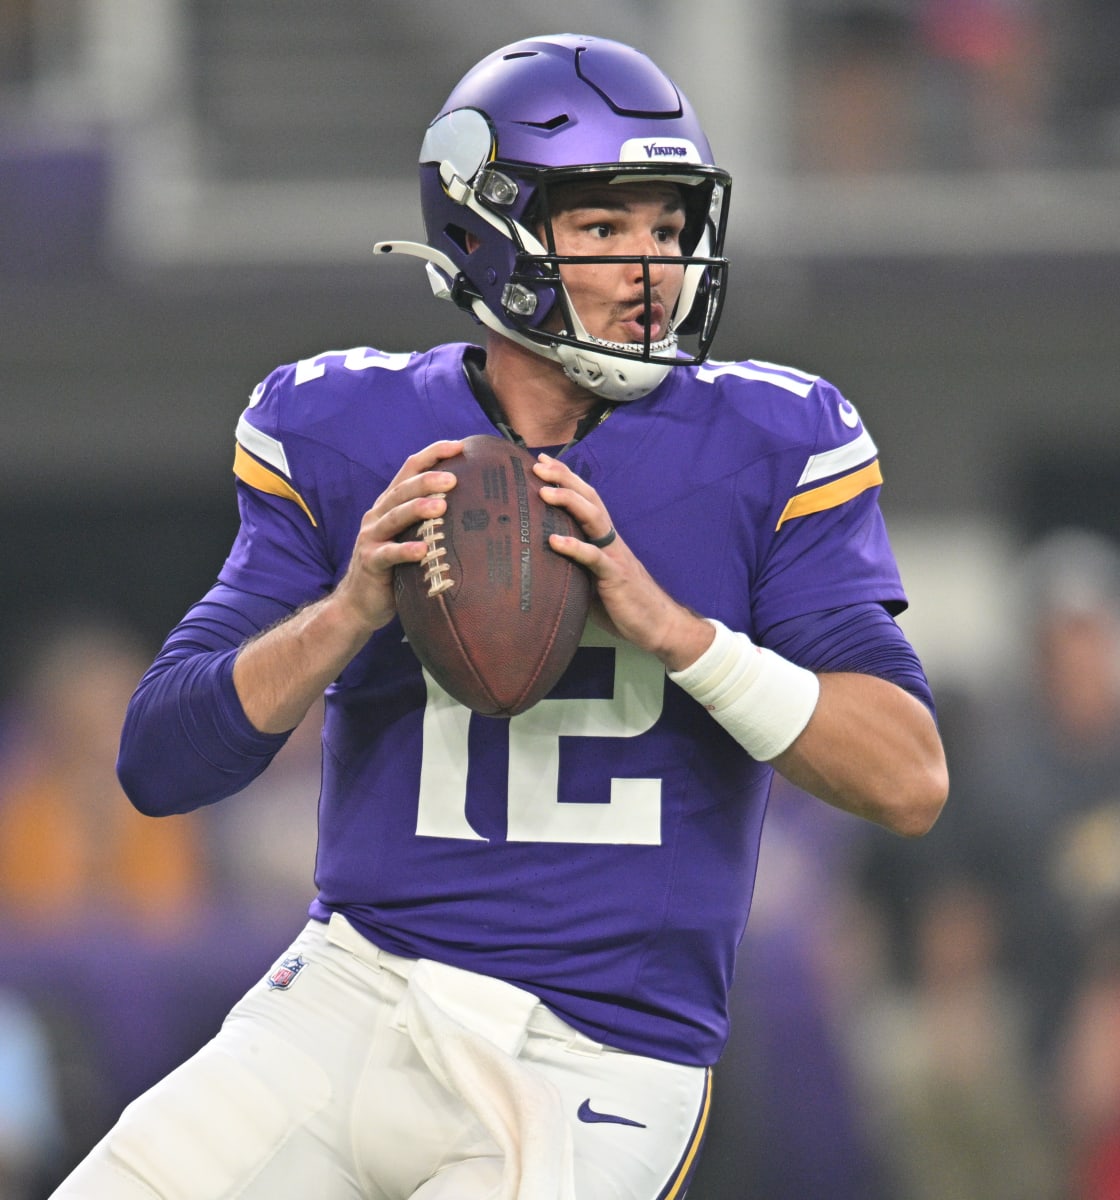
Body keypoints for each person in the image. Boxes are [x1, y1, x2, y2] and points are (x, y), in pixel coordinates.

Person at [52, 32, 947, 1200]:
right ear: (493, 229)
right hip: (345, 995)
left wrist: (681, 634)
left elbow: (910, 779)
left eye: (670, 229)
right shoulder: (344, 428)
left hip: (596, 1054)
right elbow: (157, 762)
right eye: (606, 227)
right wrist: (345, 611)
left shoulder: (775, 445)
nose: (653, 267)